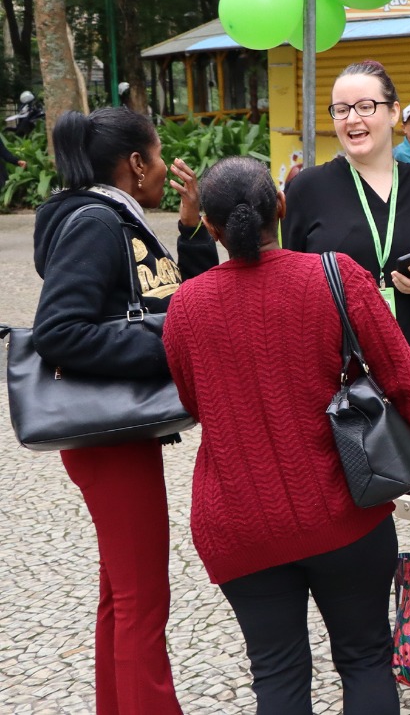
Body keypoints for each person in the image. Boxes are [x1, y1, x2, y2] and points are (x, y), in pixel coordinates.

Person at [163, 157, 410, 715]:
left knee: (276, 674)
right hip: (342, 513)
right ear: (281, 206)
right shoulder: (335, 275)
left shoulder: (186, 306)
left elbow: (194, 404)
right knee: (365, 658)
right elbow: (405, 378)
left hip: (239, 526)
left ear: (211, 228)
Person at [31, 107, 217, 715]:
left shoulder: (118, 218)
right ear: (136, 164)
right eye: (158, 155)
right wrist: (167, 345)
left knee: (123, 592)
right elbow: (59, 331)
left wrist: (191, 230)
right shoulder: (96, 222)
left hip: (119, 434)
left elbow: (187, 305)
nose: (164, 167)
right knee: (143, 598)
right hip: (106, 438)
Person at [283, 60, 410, 555]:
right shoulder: (307, 190)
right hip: (345, 388)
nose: (353, 119)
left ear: (393, 113)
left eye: (366, 106)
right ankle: (366, 606)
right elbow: (288, 285)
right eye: (341, 109)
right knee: (356, 530)